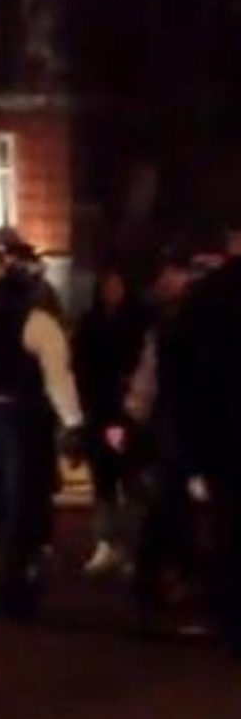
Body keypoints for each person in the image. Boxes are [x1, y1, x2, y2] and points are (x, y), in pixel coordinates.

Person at [0, 239, 84, 619]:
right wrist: (73, 420)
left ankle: (1, 565)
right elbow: (57, 377)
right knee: (24, 495)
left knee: (2, 493)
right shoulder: (38, 321)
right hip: (24, 415)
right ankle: (14, 580)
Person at [124, 250, 202, 619]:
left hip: (174, 422)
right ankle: (170, 575)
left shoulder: (167, 328)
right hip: (184, 423)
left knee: (170, 504)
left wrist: (136, 415)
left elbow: (146, 382)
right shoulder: (177, 328)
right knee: (173, 505)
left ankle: (160, 575)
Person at [182, 224, 241, 654]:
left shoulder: (205, 296)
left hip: (220, 425)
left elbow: (188, 373)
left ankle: (227, 617)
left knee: (225, 525)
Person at [72, 266, 148, 575]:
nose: (112, 291)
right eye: (107, 285)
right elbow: (80, 364)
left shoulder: (137, 320)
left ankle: (130, 546)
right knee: (103, 478)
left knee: (129, 477)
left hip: (125, 409)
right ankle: (106, 541)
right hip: (99, 408)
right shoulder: (90, 321)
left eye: (117, 285)